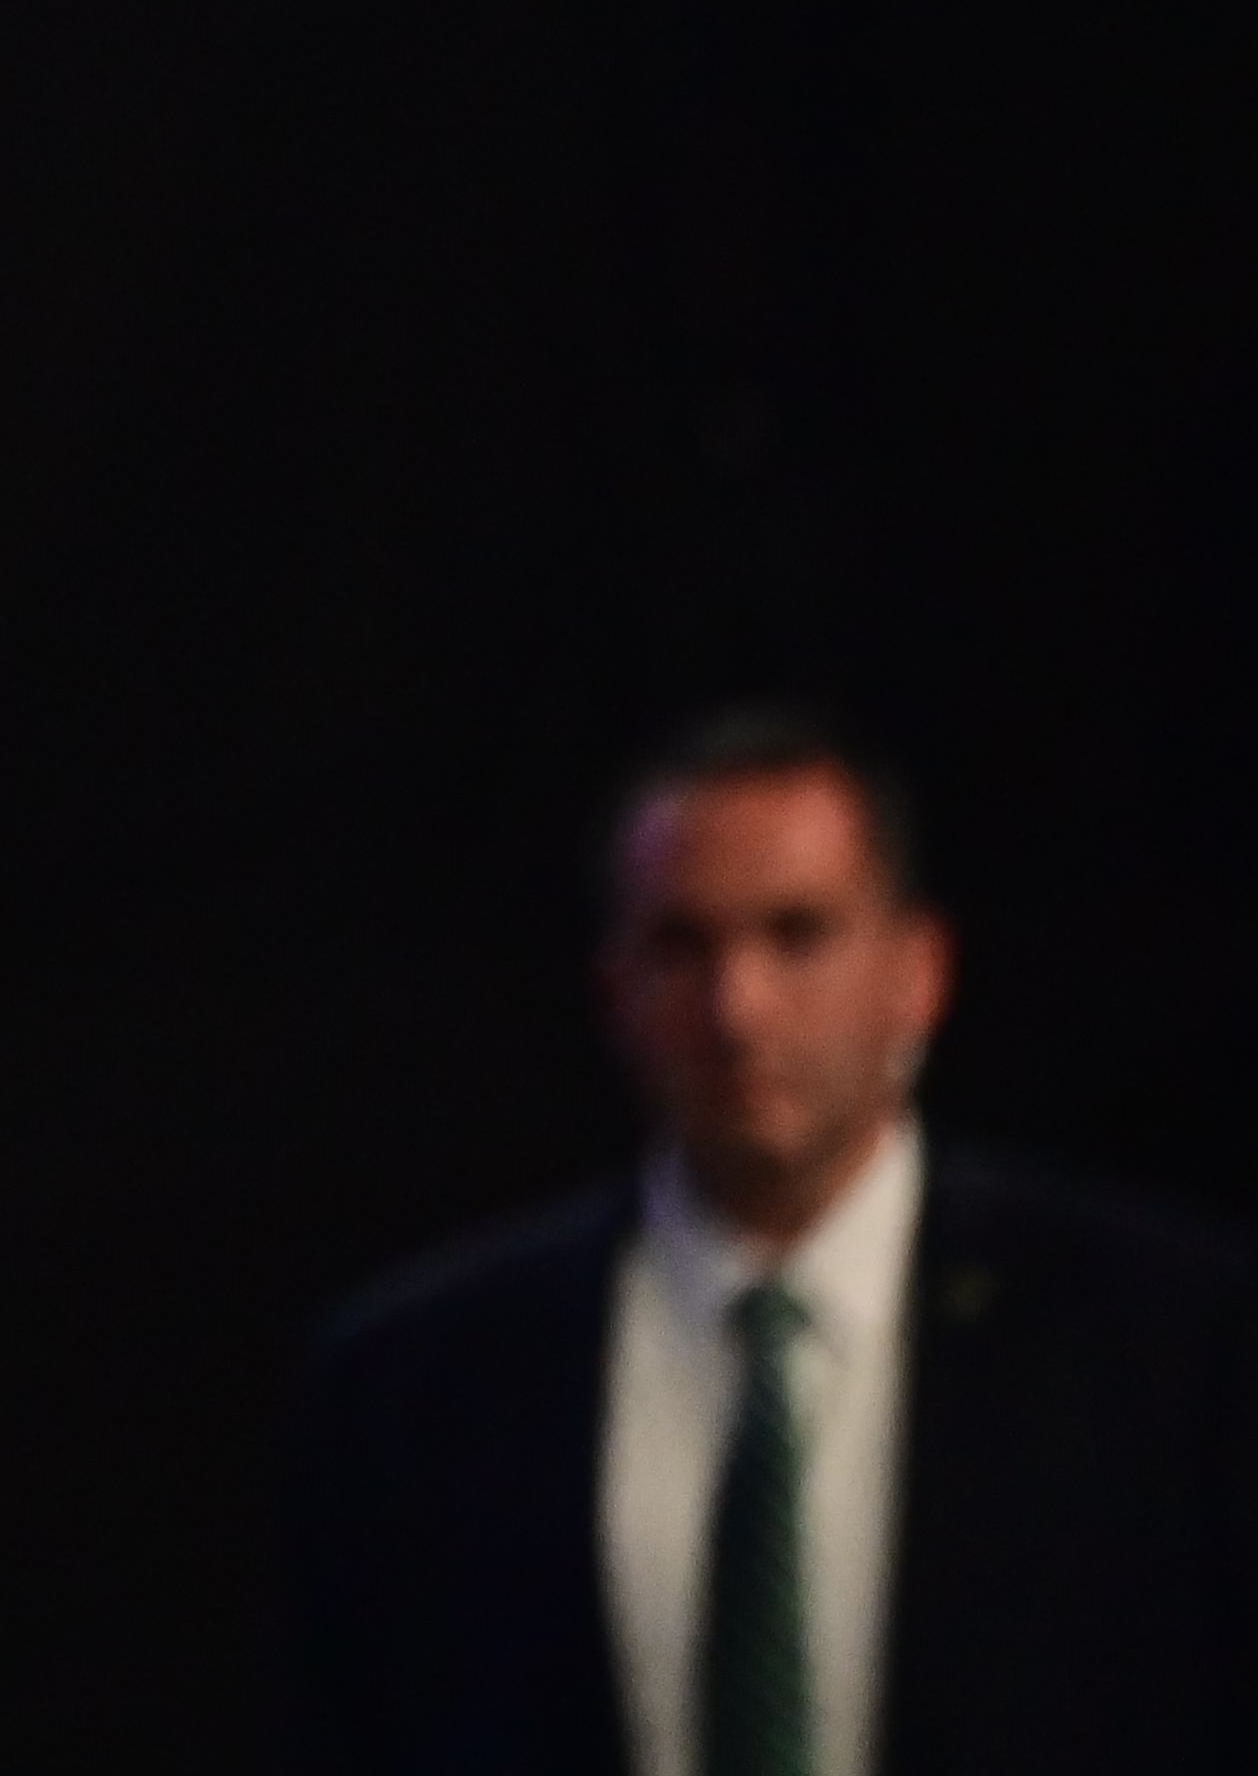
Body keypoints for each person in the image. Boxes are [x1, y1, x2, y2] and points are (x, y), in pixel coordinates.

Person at [284, 711, 1258, 1776]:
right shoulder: (422, 1380)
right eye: (680, 945)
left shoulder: (1167, 1344)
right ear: (614, 988)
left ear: (916, 972)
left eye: (797, 935)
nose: (736, 1008)